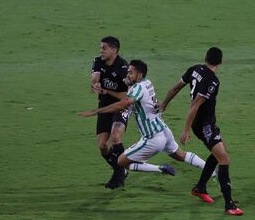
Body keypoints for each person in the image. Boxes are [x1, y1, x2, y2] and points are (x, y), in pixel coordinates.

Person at [81, 60, 212, 184]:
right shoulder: (147, 82)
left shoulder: (137, 88)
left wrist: (97, 111)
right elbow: (129, 98)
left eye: (131, 72)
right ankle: (211, 171)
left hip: (152, 138)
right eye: (128, 72)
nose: (128, 75)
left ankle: (160, 169)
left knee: (121, 162)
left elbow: (125, 103)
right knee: (181, 155)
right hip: (164, 130)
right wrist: (108, 91)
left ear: (139, 75)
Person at [161, 47, 243, 215]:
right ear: (220, 62)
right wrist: (186, 130)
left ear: (205, 58)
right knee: (224, 159)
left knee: (219, 152)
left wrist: (164, 104)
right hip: (204, 125)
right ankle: (229, 205)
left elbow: (175, 88)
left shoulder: (195, 69)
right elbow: (195, 105)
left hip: (208, 123)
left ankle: (200, 187)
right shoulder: (212, 81)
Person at [89, 36, 130, 189]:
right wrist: (96, 85)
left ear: (114, 50)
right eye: (101, 47)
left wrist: (107, 90)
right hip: (105, 105)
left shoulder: (123, 68)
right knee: (102, 145)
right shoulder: (98, 61)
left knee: (115, 136)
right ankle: (120, 170)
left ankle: (119, 174)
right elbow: (94, 78)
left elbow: (127, 97)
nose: (101, 50)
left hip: (122, 106)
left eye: (104, 48)